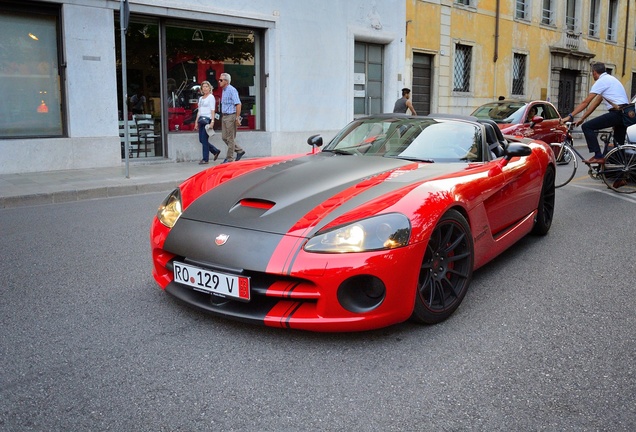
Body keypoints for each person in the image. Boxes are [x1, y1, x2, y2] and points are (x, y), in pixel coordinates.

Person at [560, 62, 630, 165]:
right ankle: (621, 176)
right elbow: (595, 104)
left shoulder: (601, 81)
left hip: (617, 113)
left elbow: (586, 102)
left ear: (594, 72)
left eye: (592, 73)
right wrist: (582, 118)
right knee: (618, 145)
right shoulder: (610, 80)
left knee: (587, 127)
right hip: (625, 114)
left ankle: (598, 156)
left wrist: (569, 116)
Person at [218, 73, 245, 163]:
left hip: (231, 116)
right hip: (225, 116)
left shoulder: (232, 90)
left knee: (230, 138)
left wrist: (237, 117)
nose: (219, 81)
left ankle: (229, 158)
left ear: (226, 81)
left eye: (221, 80)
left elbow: (238, 104)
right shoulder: (224, 90)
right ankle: (239, 150)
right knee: (224, 137)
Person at [193, 80, 221, 164]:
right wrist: (196, 122)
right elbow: (199, 111)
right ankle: (215, 151)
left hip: (207, 119)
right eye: (203, 87)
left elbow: (213, 110)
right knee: (201, 140)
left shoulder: (211, 97)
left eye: (206, 87)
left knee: (204, 139)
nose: (204, 88)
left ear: (209, 88)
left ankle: (205, 159)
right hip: (201, 119)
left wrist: (212, 121)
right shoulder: (201, 98)